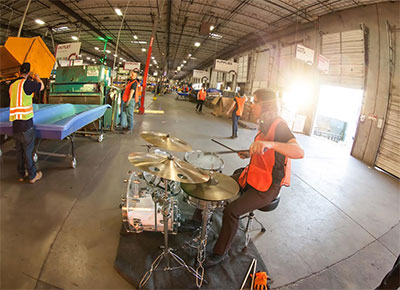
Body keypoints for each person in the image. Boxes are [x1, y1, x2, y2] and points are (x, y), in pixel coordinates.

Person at [205, 88, 304, 266]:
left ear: (265, 105)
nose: (251, 104)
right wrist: (249, 153)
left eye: (255, 101)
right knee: (215, 183)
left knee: (231, 211)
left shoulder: (280, 125)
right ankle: (197, 221)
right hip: (253, 174)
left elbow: (298, 151)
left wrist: (271, 143)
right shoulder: (265, 122)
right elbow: (265, 152)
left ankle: (220, 252)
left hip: (268, 186)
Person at [9, 62, 44, 183]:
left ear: (19, 72)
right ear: (28, 73)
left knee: (19, 151)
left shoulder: (12, 86)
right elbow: (41, 87)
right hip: (26, 124)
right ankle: (33, 176)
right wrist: (37, 78)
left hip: (15, 124)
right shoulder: (28, 84)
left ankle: (21, 175)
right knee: (28, 151)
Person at [121, 70, 141, 134]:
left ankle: (130, 128)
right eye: (131, 74)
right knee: (125, 113)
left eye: (133, 75)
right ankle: (126, 125)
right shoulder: (130, 82)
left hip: (130, 100)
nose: (131, 75)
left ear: (135, 76)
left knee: (129, 114)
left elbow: (131, 93)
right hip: (126, 99)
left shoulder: (134, 83)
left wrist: (128, 101)